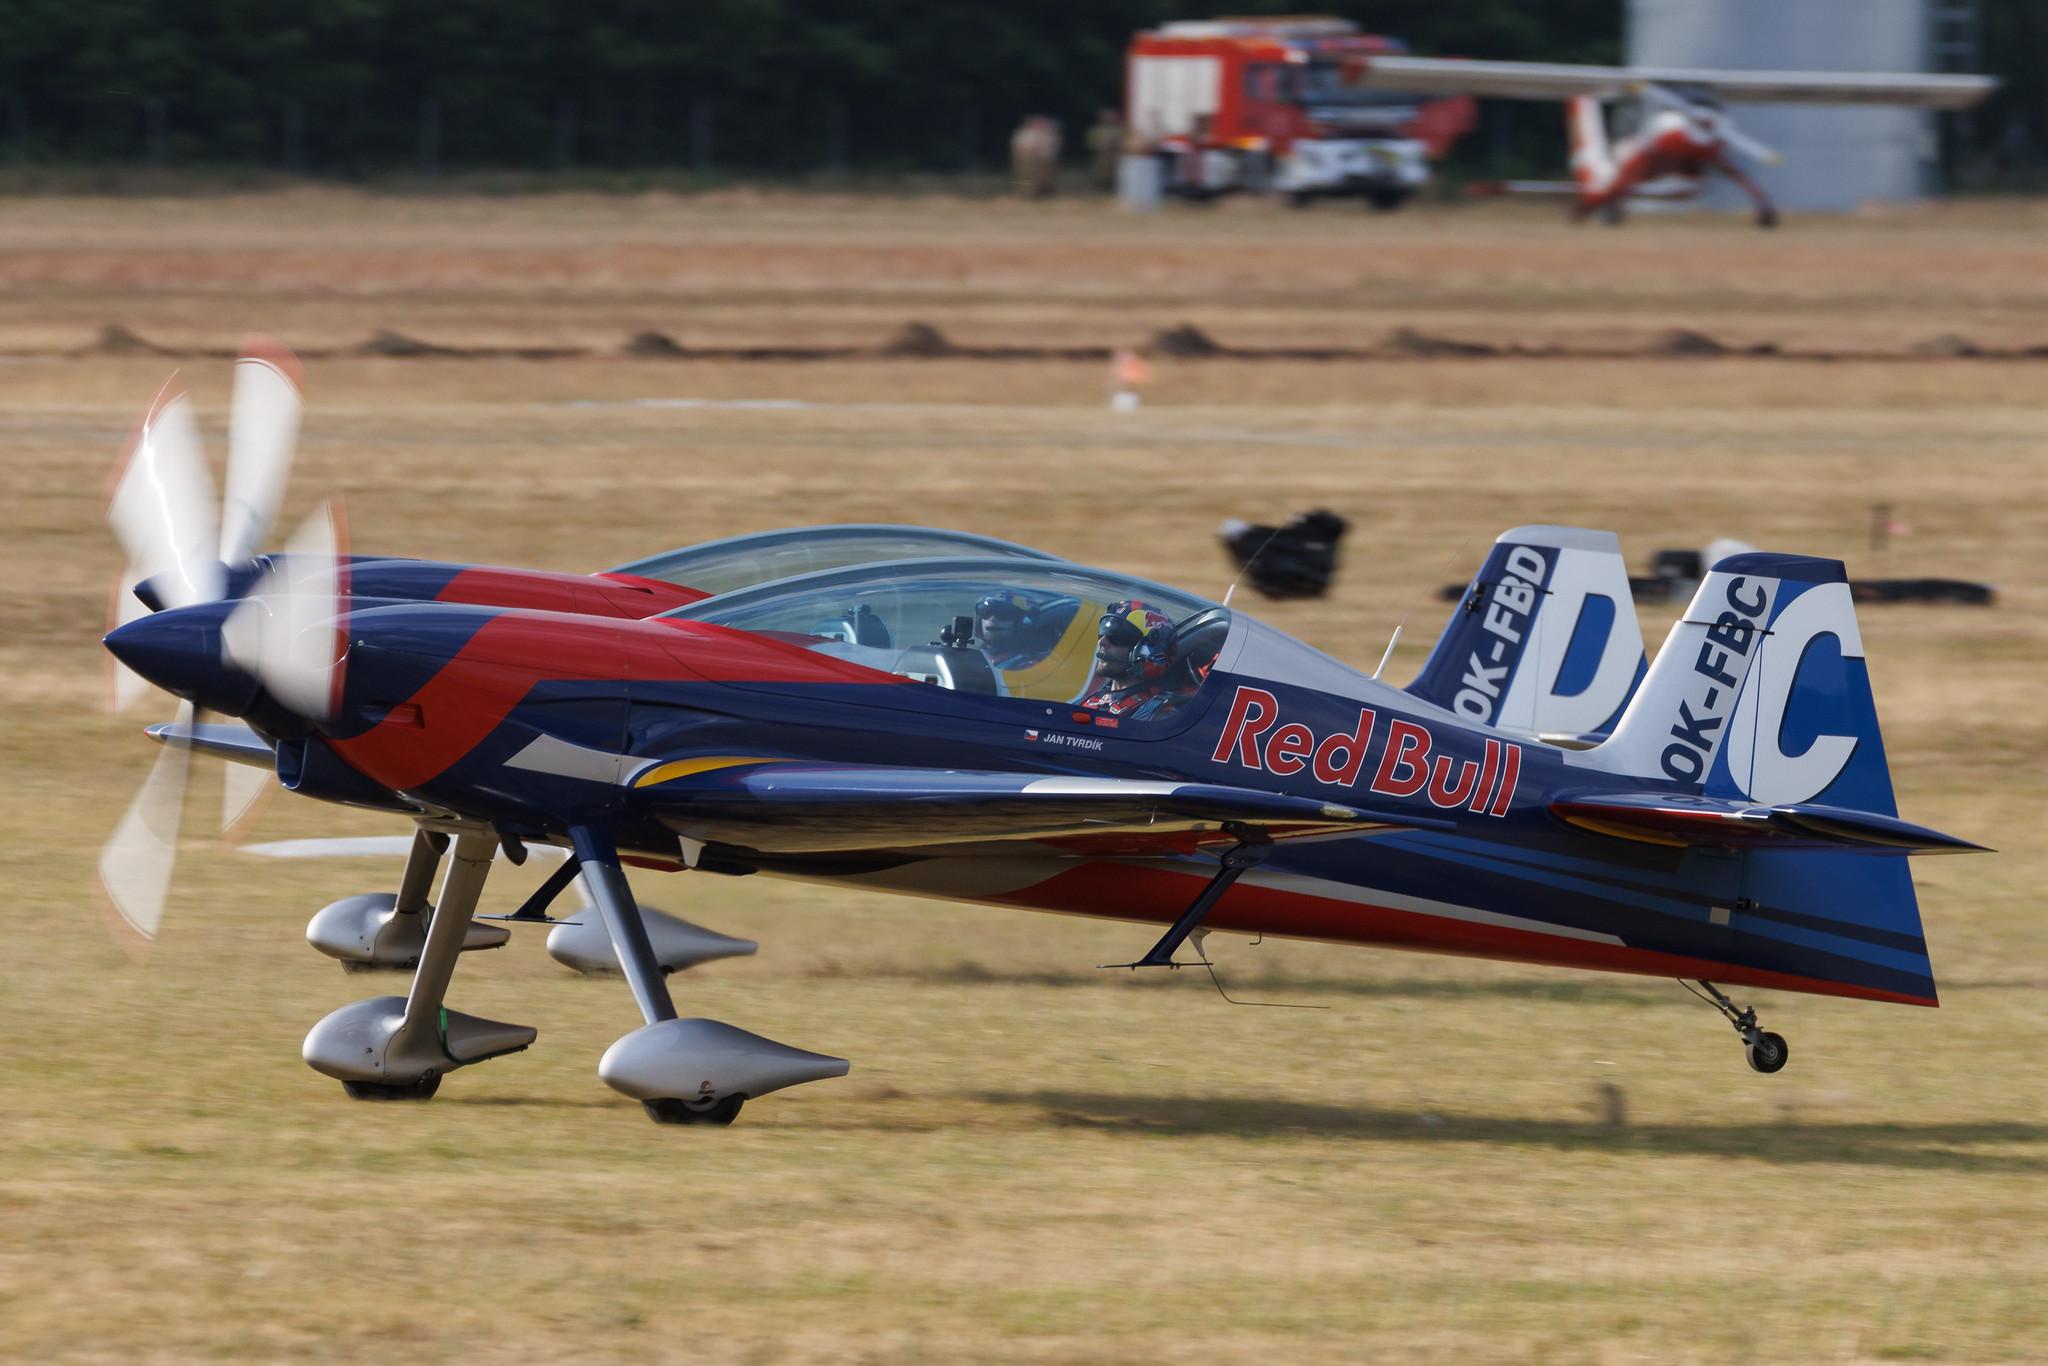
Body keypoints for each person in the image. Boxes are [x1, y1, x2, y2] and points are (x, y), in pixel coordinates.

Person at [1077, 600, 1186, 719]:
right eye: (1103, 632)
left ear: (1146, 652)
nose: (1102, 642)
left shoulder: (1160, 716)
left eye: (1116, 636)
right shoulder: (1092, 700)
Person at [976, 591, 1066, 670]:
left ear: (1024, 623)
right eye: (986, 612)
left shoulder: (1034, 666)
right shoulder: (978, 655)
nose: (993, 619)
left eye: (1004, 613)